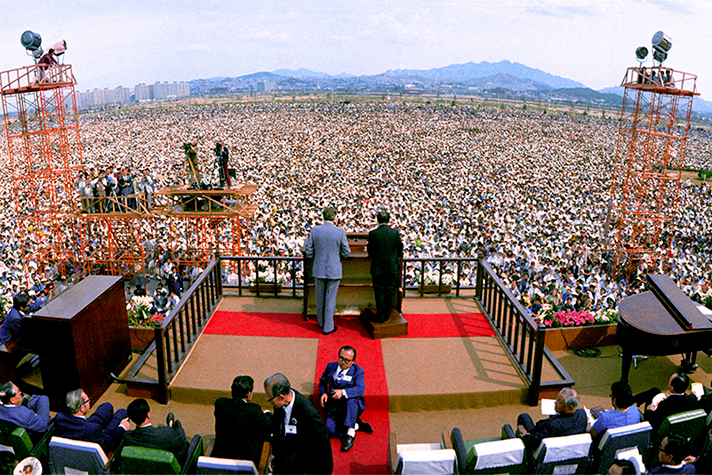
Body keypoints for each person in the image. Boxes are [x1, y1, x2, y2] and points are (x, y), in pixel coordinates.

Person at [263, 373, 333, 474]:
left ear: (281, 397)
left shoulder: (309, 414)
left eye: (269, 398)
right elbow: (278, 429)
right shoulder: (280, 403)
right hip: (284, 459)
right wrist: (275, 454)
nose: (268, 400)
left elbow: (323, 446)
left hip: (300, 463)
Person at [303, 206, 350, 335]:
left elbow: (308, 249)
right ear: (335, 217)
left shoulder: (315, 230)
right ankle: (328, 327)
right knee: (330, 299)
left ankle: (321, 322)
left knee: (320, 297)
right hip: (334, 268)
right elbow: (346, 252)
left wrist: (317, 257)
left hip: (319, 267)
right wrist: (337, 257)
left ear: (323, 217)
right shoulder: (340, 231)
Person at [319, 345, 373, 452]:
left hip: (351, 404)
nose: (343, 362)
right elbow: (322, 381)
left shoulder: (358, 371)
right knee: (330, 430)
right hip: (334, 404)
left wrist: (343, 392)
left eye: (347, 360)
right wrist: (323, 393)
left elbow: (360, 389)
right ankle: (357, 425)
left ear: (353, 361)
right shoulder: (330, 366)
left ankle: (350, 434)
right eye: (341, 358)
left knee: (351, 399)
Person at [212, 375, 272, 466]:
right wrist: (267, 413)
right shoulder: (254, 410)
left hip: (221, 457)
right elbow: (268, 422)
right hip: (245, 461)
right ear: (248, 394)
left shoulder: (220, 404)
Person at [53, 388, 130, 453]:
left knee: (107, 406)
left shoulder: (59, 417)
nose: (89, 401)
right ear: (82, 407)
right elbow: (110, 444)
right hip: (98, 437)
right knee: (122, 413)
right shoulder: (93, 429)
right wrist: (122, 427)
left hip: (85, 427)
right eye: (87, 400)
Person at [515, 387, 587, 450]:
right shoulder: (582, 414)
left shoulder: (553, 425)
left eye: (560, 401)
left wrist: (525, 436)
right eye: (557, 399)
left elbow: (533, 442)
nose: (555, 402)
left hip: (537, 436)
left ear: (569, 407)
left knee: (523, 417)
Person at [123, 398, 189, 464]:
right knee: (184, 445)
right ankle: (171, 425)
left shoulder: (128, 438)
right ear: (148, 415)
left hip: (145, 467)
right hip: (166, 467)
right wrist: (178, 428)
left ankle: (170, 426)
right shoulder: (166, 434)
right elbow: (181, 438)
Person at [367, 211, 403, 323]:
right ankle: (387, 313)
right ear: (389, 220)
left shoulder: (373, 233)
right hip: (391, 266)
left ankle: (381, 315)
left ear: (377, 220)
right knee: (389, 290)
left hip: (377, 266)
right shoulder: (394, 232)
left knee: (379, 291)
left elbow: (370, 250)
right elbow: (400, 248)